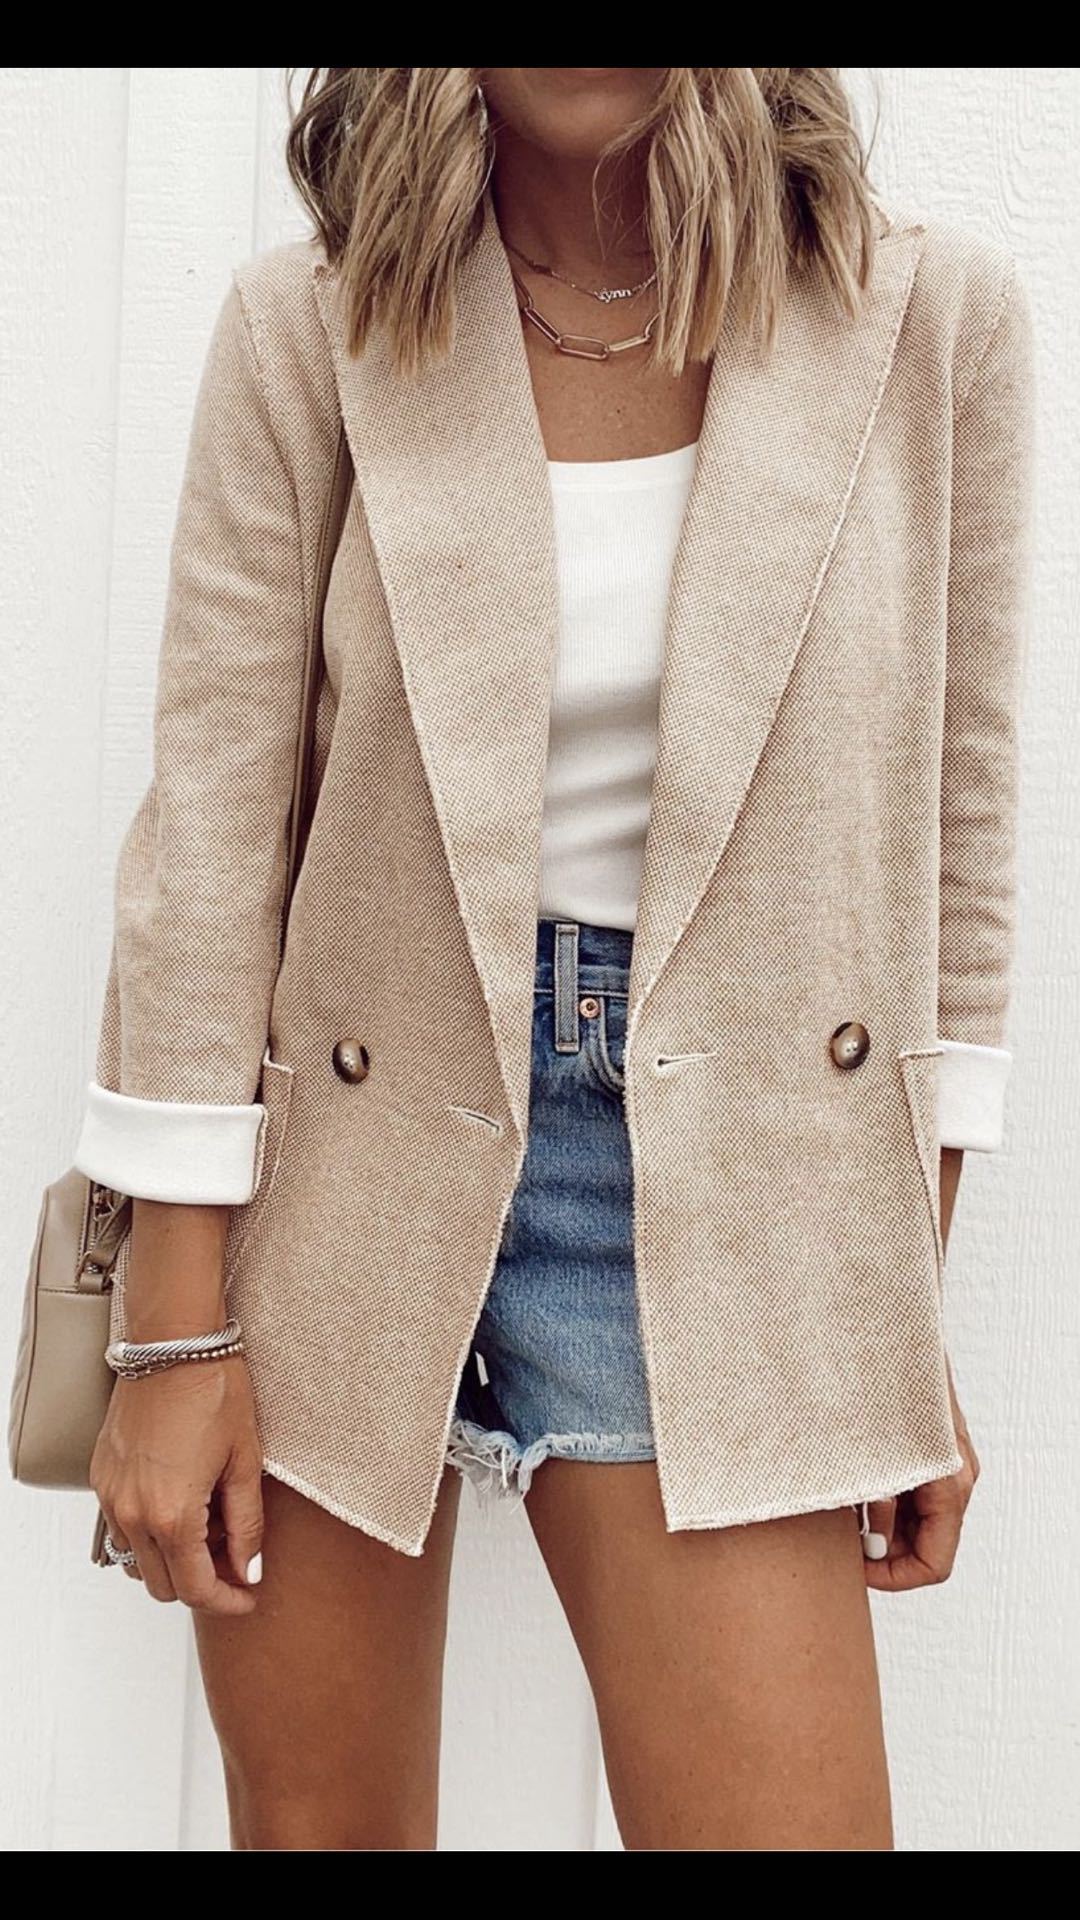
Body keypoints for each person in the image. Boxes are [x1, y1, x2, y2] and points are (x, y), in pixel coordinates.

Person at [77, 67, 1033, 1850]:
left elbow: (953, 846)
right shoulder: (313, 325)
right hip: (339, 1165)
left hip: (726, 1174)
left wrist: (879, 1322)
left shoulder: (925, 322)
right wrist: (171, 1329)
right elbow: (211, 833)